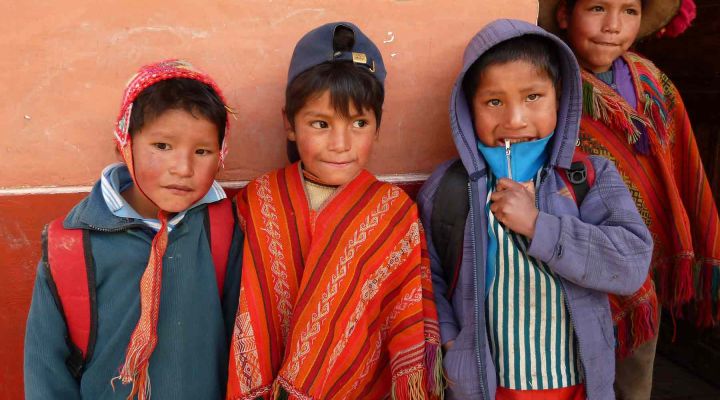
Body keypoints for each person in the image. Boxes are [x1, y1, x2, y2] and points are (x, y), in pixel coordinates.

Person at [417, 19, 653, 399]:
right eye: (494, 101)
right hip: (486, 388)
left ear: (559, 98)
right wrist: (451, 344)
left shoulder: (587, 177)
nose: (515, 119)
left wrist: (540, 226)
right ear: (467, 107)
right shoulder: (447, 188)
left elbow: (630, 264)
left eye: (533, 97)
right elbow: (428, 278)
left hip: (577, 385)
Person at [224, 22, 443, 400]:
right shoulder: (259, 200)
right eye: (321, 124)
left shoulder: (392, 212)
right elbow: (241, 304)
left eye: (359, 123)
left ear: (378, 126)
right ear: (289, 124)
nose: (341, 144)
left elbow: (404, 315)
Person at [24, 60, 243, 400]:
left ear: (221, 155)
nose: (183, 168)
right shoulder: (72, 243)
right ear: (124, 144)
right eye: (162, 146)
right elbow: (46, 370)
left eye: (202, 151)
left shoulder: (226, 229)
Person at [539, 1, 720, 398]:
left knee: (635, 376)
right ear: (566, 15)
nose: (613, 26)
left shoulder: (653, 82)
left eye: (629, 12)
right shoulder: (547, 81)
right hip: (568, 257)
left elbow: (678, 162)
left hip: (640, 265)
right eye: (598, 8)